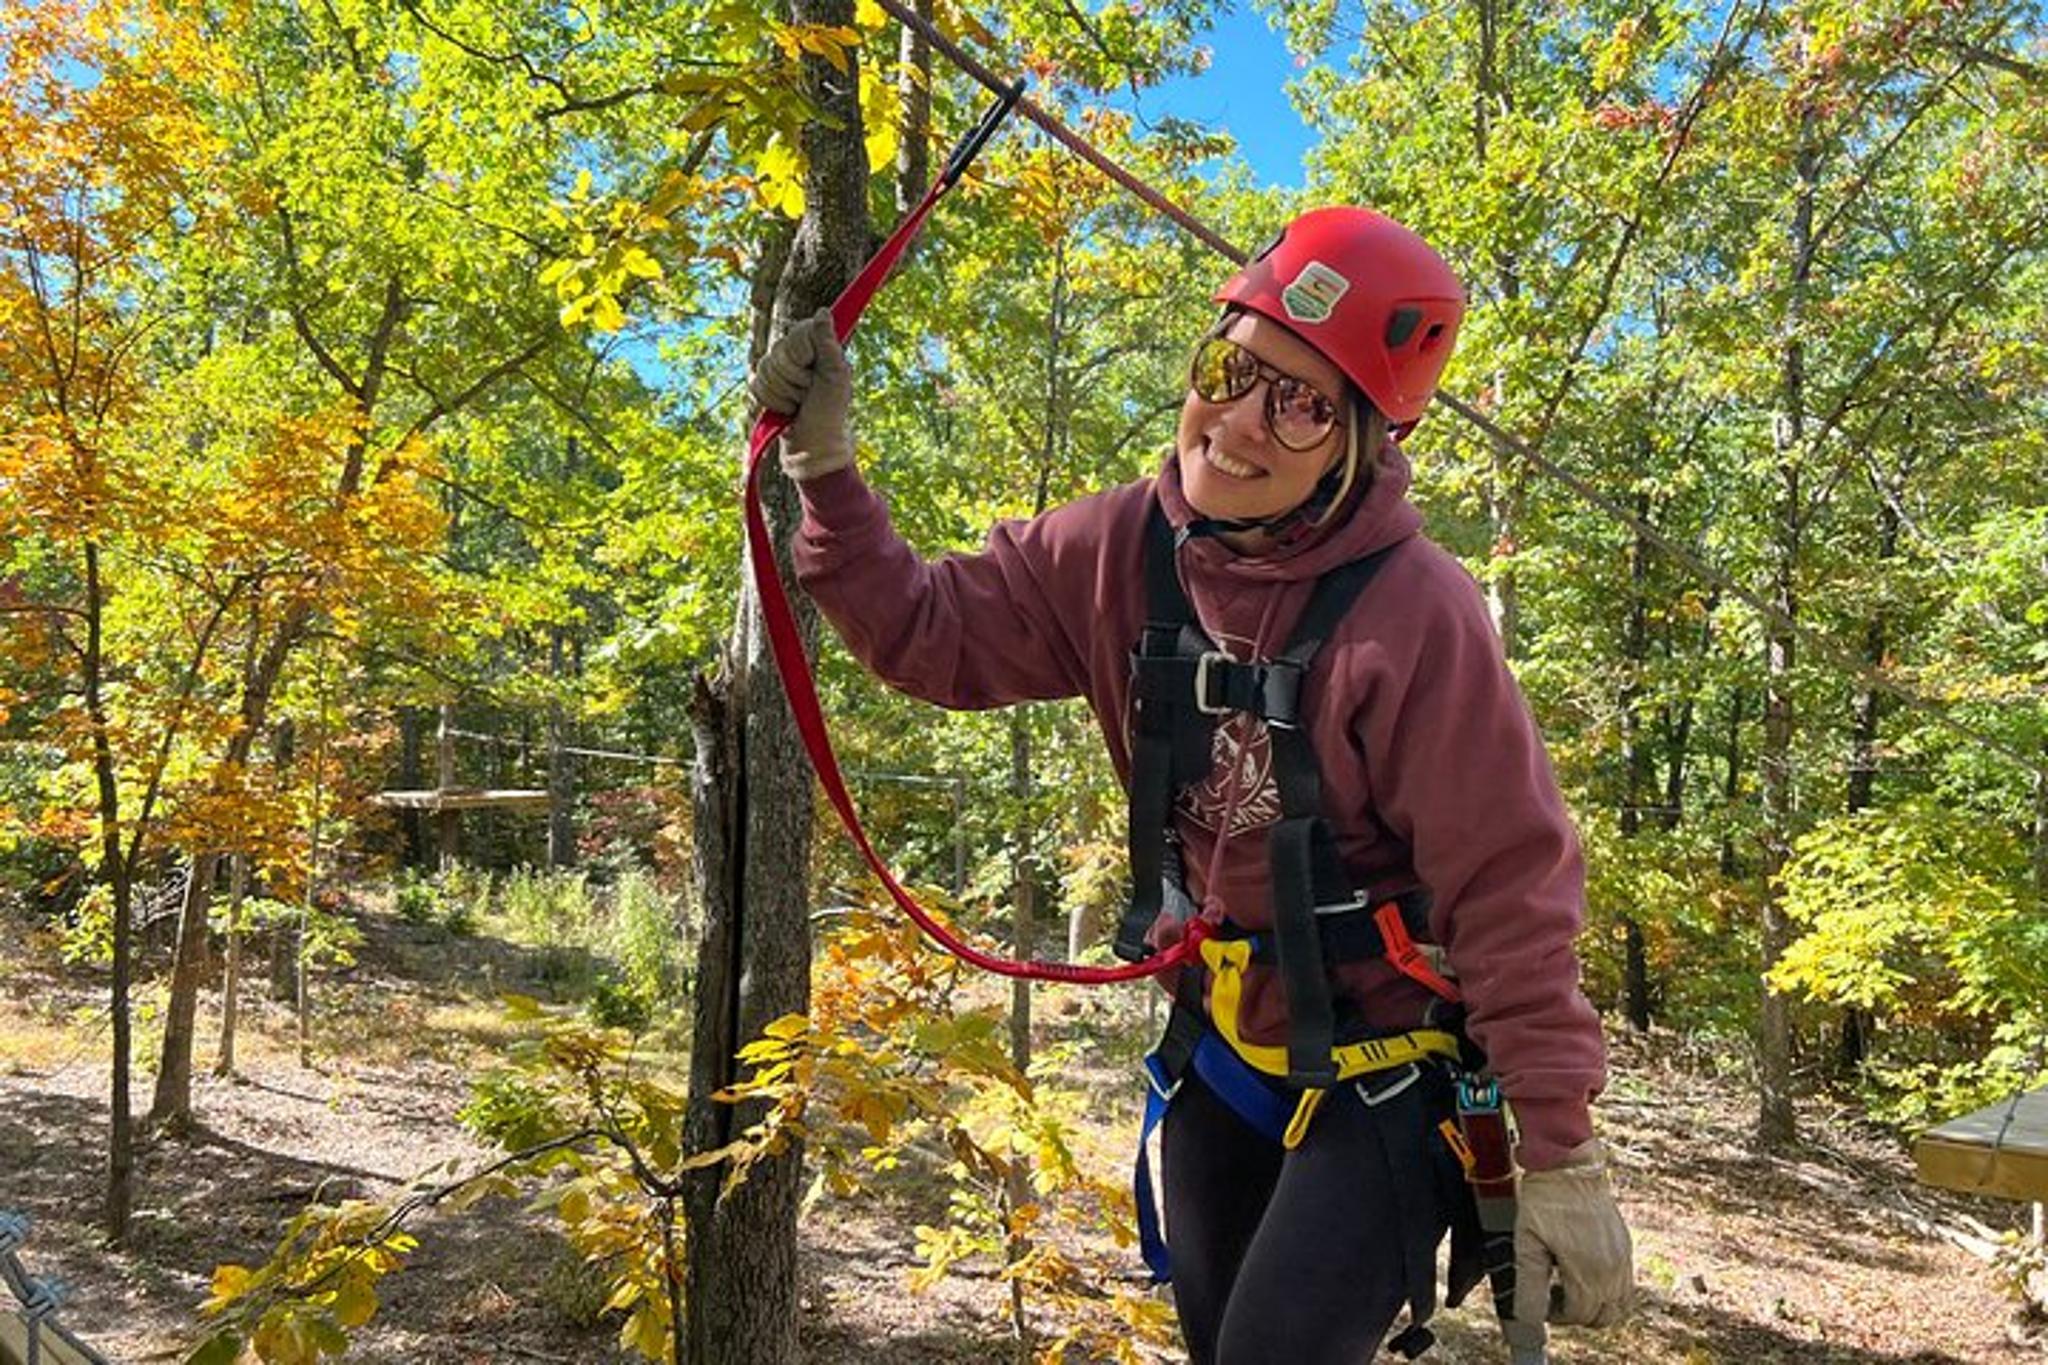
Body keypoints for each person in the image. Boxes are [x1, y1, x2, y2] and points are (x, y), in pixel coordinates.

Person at [750, 206, 1634, 1364]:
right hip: (1220, 1047)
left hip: (1387, 1069)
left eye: (1301, 403)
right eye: (1230, 370)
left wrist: (1561, 1151)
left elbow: (1506, 883)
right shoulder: (1119, 546)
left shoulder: (1413, 612)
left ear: (1360, 442)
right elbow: (928, 633)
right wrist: (825, 468)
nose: (1236, 423)